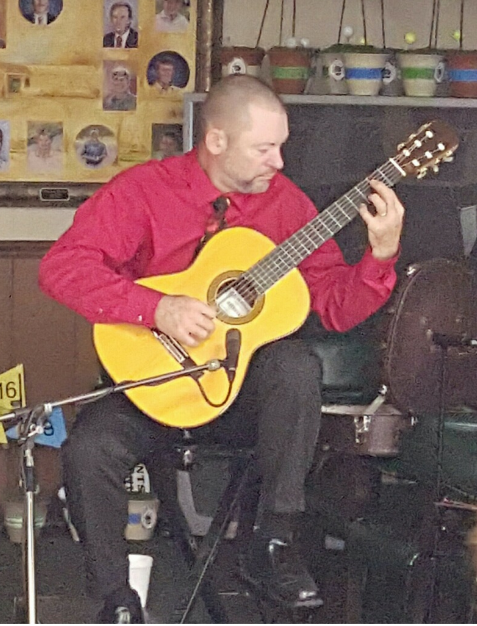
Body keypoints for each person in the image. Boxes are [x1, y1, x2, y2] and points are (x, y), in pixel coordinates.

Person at [38, 75, 405, 624]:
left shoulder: (288, 206)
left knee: (294, 364)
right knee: (89, 449)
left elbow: (332, 305)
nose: (278, 162)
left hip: (244, 402)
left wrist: (380, 256)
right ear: (215, 141)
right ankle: (116, 599)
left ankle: (273, 544)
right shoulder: (143, 191)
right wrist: (154, 308)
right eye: (264, 148)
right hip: (155, 390)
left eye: (282, 146)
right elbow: (62, 269)